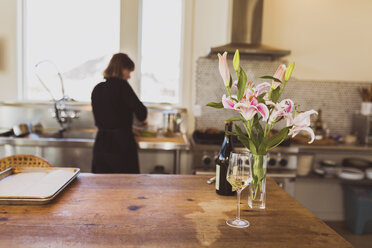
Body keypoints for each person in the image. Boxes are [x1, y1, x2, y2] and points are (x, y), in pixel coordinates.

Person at [91, 53, 147, 173]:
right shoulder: (122, 86)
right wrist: (125, 128)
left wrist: (127, 126)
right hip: (121, 147)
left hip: (101, 145)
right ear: (121, 69)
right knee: (126, 187)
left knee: (102, 187)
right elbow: (142, 113)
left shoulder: (97, 88)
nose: (129, 76)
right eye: (129, 71)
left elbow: (108, 117)